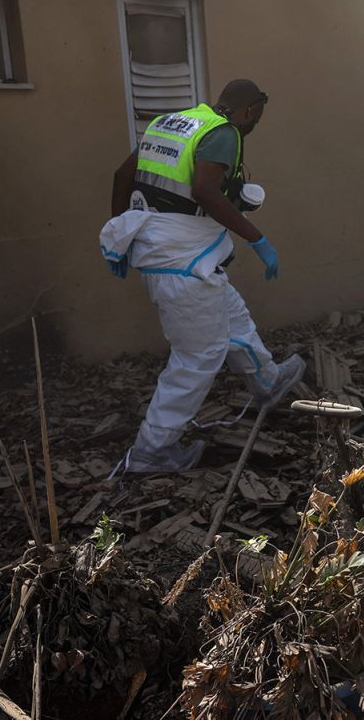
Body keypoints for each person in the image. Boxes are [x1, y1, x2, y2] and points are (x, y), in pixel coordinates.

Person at [100, 79, 305, 473]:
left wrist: (121, 231)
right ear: (247, 111)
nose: (254, 125)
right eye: (256, 117)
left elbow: (121, 176)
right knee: (197, 356)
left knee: (230, 314)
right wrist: (257, 239)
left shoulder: (169, 122)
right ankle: (151, 451)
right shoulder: (224, 132)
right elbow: (205, 192)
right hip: (183, 261)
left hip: (172, 254)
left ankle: (267, 381)